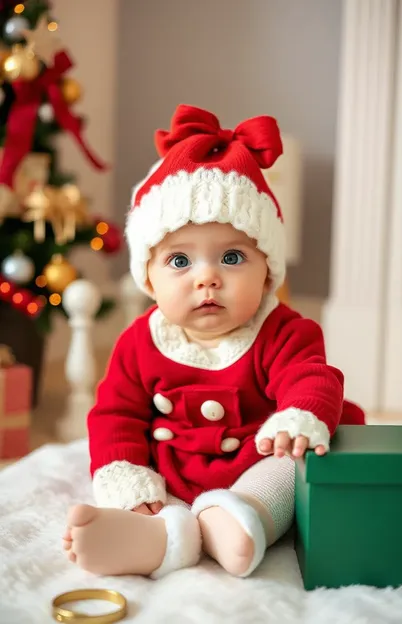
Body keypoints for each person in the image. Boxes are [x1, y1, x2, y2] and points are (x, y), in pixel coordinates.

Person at [62, 104, 365, 579]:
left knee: (291, 466)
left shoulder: (284, 330)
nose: (207, 278)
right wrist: (128, 477)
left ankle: (240, 520)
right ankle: (158, 532)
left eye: (231, 256)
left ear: (267, 273)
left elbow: (312, 377)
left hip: (254, 463)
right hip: (175, 471)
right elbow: (116, 415)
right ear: (148, 276)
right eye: (180, 262)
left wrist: (298, 418)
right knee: (141, 487)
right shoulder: (141, 341)